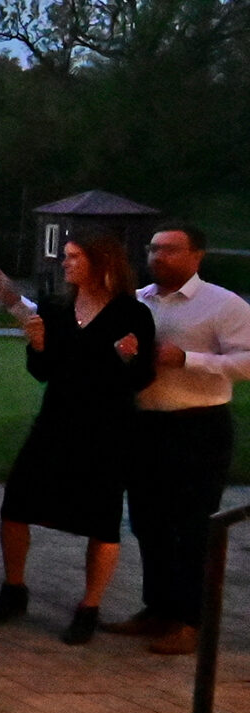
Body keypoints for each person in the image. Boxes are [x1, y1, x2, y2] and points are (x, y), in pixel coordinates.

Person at [0, 231, 158, 642]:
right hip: (56, 421)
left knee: (101, 519)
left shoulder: (131, 314)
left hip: (106, 428)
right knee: (17, 503)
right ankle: (13, 588)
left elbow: (142, 378)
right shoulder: (58, 308)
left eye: (74, 256)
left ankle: (89, 606)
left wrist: (130, 358)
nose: (65, 263)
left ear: (102, 262)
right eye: (66, 256)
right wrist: (38, 346)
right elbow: (43, 371)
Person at [112, 226, 250, 656]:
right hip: (145, 425)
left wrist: (187, 359)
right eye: (153, 249)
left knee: (192, 527)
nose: (158, 257)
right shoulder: (138, 300)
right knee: (149, 522)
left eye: (170, 250)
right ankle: (157, 608)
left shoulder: (223, 304)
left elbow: (246, 361)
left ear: (197, 255)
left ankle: (191, 621)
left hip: (198, 426)